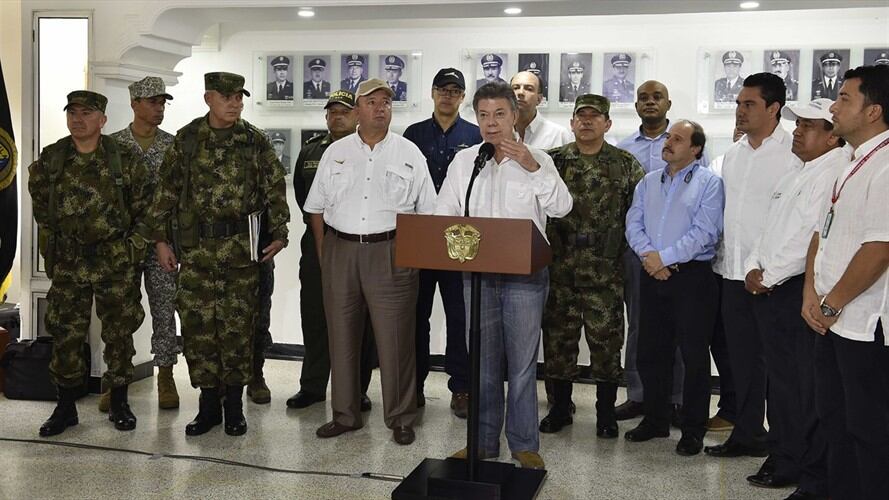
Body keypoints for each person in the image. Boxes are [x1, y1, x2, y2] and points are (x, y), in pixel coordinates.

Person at [136, 72, 290, 437]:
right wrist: (159, 241)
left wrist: (280, 233)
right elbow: (165, 195)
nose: (235, 103)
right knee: (198, 329)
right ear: (209, 98)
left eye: (239, 96)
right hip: (197, 253)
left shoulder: (253, 141)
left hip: (241, 253)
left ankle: (234, 405)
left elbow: (274, 189)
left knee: (238, 328)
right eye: (227, 97)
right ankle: (208, 406)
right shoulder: (187, 141)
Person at [436, 81, 573, 470]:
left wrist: (532, 169)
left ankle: (524, 444)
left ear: (515, 116)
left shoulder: (539, 160)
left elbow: (562, 208)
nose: (491, 123)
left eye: (499, 114)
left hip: (524, 278)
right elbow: (444, 213)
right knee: (482, 363)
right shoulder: (466, 162)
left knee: (522, 365)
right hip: (475, 277)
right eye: (483, 115)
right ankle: (481, 443)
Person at [304, 79, 436, 446]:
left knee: (396, 341)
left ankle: (401, 417)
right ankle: (345, 415)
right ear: (357, 110)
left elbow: (427, 213)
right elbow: (315, 208)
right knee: (342, 338)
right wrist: (324, 253)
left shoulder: (409, 153)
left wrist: (412, 260)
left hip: (391, 253)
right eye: (372, 102)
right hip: (340, 250)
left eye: (387, 103)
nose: (381, 108)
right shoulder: (336, 152)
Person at [741, 98, 846, 498]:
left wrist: (768, 275)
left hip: (793, 291)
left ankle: (798, 463)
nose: (798, 131)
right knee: (782, 383)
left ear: (832, 136)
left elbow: (808, 239)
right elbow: (768, 230)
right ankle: (784, 454)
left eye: (810, 125)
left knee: (800, 387)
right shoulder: (797, 171)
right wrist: (754, 266)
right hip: (770, 288)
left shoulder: (831, 173)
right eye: (797, 123)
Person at [31, 90, 149, 436]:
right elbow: (41, 205)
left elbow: (147, 209)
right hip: (69, 263)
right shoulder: (52, 159)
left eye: (86, 113)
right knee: (66, 334)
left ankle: (119, 402)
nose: (78, 119)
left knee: (119, 334)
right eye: (73, 112)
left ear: (102, 120)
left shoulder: (124, 160)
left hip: (115, 263)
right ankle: (65, 407)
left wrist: (131, 247)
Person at [803, 64, 889, 500]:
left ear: (873, 111)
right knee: (835, 422)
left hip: (863, 322)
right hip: (832, 317)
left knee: (869, 432)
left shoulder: (886, 164)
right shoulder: (848, 161)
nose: (833, 107)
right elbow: (824, 231)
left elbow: (879, 249)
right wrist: (810, 295)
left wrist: (832, 304)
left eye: (844, 99)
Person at [706, 72, 799, 459]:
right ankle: (746, 435)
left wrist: (771, 269)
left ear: (773, 108)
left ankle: (785, 449)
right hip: (733, 274)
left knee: (781, 370)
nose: (740, 111)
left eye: (749, 105)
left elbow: (797, 218)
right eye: (738, 104)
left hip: (776, 278)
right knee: (741, 362)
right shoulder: (733, 155)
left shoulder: (795, 150)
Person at [540, 94, 643, 438]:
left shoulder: (625, 164)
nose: (586, 121)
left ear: (607, 124)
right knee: (558, 344)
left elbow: (640, 214)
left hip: (605, 274)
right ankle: (559, 409)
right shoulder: (552, 162)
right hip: (561, 271)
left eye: (594, 117)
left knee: (606, 346)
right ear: (572, 123)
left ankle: (605, 414)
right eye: (580, 116)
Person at [624, 120, 725, 457]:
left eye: (678, 139)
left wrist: (662, 258)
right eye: (669, 137)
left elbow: (705, 233)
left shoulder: (710, 183)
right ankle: (655, 419)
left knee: (694, 357)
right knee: (651, 352)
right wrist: (650, 258)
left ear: (695, 149)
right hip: (652, 275)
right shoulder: (648, 182)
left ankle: (693, 430)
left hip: (692, 278)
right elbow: (633, 222)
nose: (669, 142)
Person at [615, 80, 709, 429]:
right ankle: (642, 398)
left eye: (656, 98)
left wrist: (665, 258)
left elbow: (704, 221)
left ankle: (679, 402)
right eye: (643, 98)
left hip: (684, 265)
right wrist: (649, 257)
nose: (649, 103)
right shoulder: (626, 151)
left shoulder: (704, 173)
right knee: (642, 330)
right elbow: (631, 215)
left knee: (685, 340)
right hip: (641, 259)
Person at [287, 90, 377, 413]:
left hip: (356, 244)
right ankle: (311, 386)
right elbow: (303, 196)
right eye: (332, 111)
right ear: (326, 117)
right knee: (314, 316)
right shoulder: (310, 151)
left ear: (356, 115)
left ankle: (357, 389)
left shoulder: (368, 150)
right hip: (316, 245)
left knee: (359, 320)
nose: (337, 116)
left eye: (344, 111)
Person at [402, 68, 481, 417]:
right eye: (442, 90)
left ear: (462, 97)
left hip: (462, 239)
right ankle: (413, 385)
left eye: (454, 91)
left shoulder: (477, 135)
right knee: (415, 315)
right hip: (421, 237)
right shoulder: (413, 134)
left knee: (459, 316)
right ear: (432, 94)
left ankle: (461, 387)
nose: (448, 96)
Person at [105, 77, 179, 412]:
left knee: (165, 309)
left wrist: (164, 239)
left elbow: (177, 198)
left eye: (162, 102)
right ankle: (118, 379)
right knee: (120, 313)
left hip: (161, 242)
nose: (158, 108)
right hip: (123, 243)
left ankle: (165, 375)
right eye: (152, 102)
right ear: (134, 103)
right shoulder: (113, 146)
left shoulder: (173, 146)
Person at [511, 71, 572, 149]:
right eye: (515, 88)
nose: (520, 92)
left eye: (529, 89)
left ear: (539, 99)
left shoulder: (559, 135)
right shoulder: (497, 132)